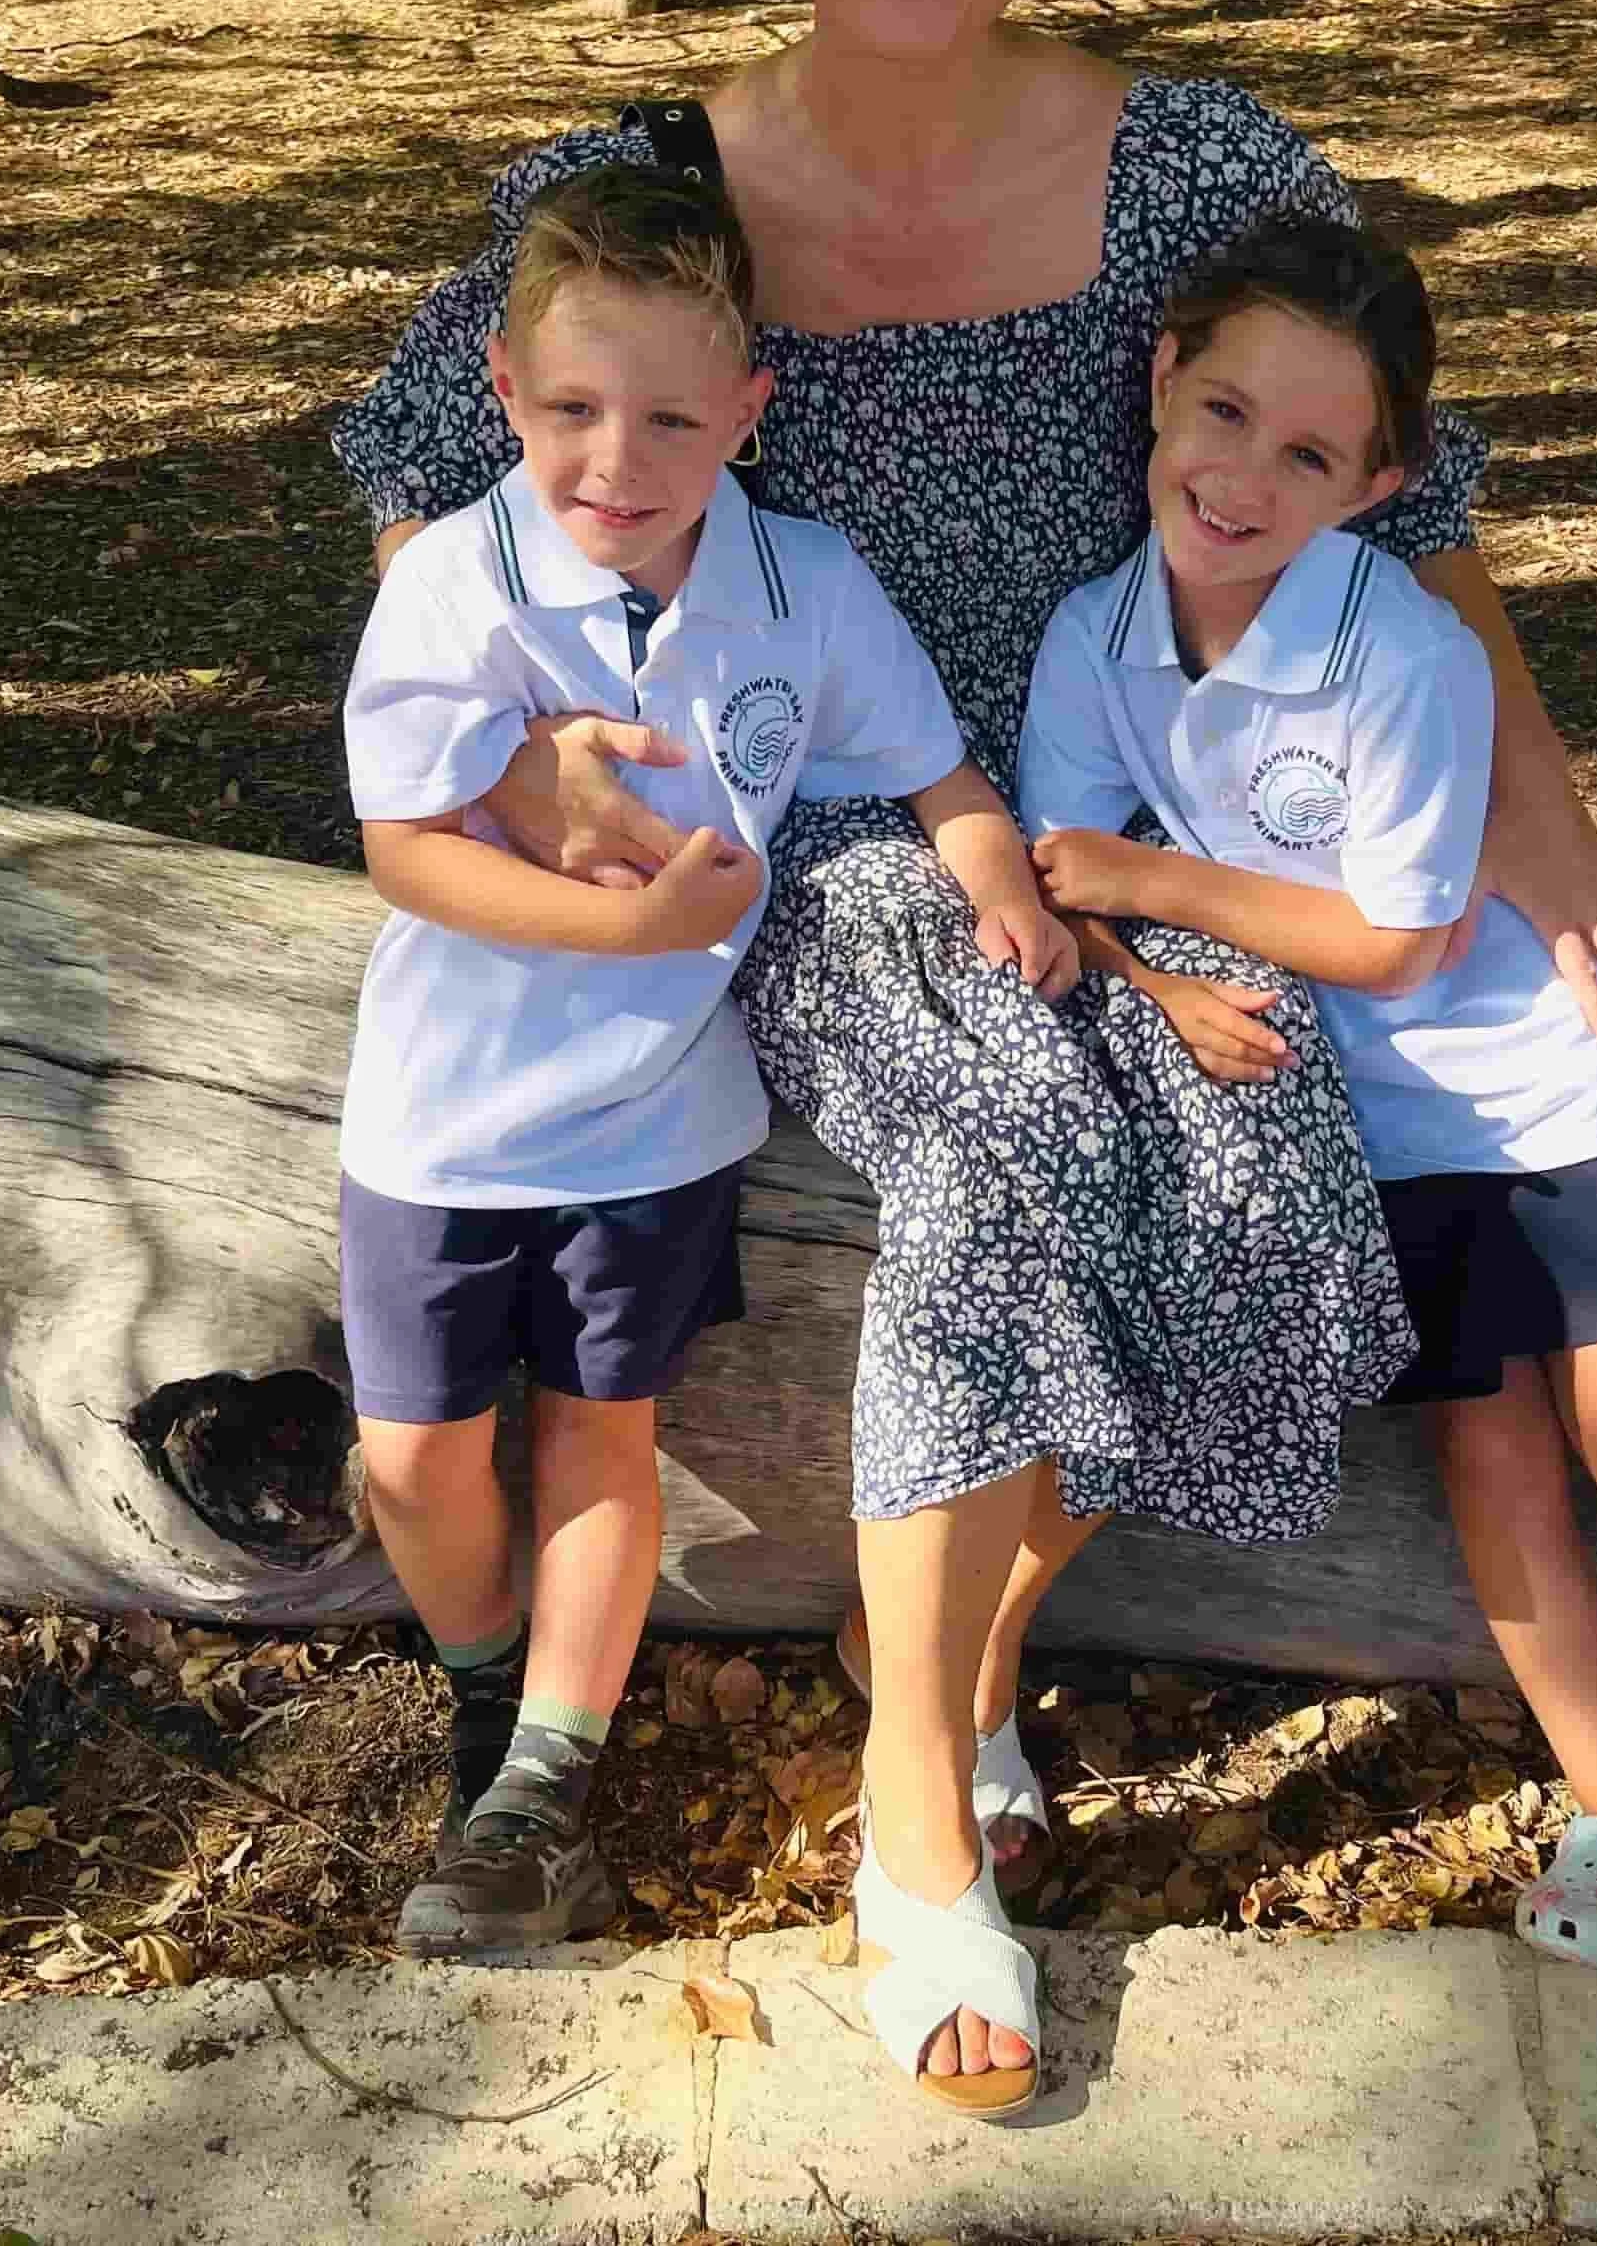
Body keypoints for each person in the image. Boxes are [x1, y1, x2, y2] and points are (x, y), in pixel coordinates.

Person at [336, 0, 1597, 2104]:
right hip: (796, 841)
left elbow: (1417, 511)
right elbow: (426, 480)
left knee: (1269, 1148)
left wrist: (1551, 822)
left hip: (1120, 836)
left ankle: (915, 1636)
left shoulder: (1196, 168)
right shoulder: (639, 185)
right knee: (1010, 1131)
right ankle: (915, 1807)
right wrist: (525, 766)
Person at [1020, 215, 1597, 1988]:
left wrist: (1158, 894)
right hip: (1362, 1124)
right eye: (1220, 413)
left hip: (1540, 1082)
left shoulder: (1411, 656)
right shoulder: (1095, 636)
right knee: (1488, 1435)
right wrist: (1152, 973)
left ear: (1382, 480)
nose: (1241, 479)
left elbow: (1395, 937)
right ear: (1160, 381)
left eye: (1308, 454)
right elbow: (1072, 870)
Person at [339, 162, 1074, 1958]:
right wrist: (630, 929)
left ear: (749, 412)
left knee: (608, 1431)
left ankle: (542, 1777)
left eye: (672, 414)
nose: (619, 459)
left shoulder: (802, 584)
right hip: (445, 1115)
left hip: (664, 1117)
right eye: (575, 409)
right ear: (504, 391)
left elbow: (935, 768)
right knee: (419, 1454)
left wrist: (1006, 900)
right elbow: (406, 844)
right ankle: (478, 1672)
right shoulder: (454, 579)